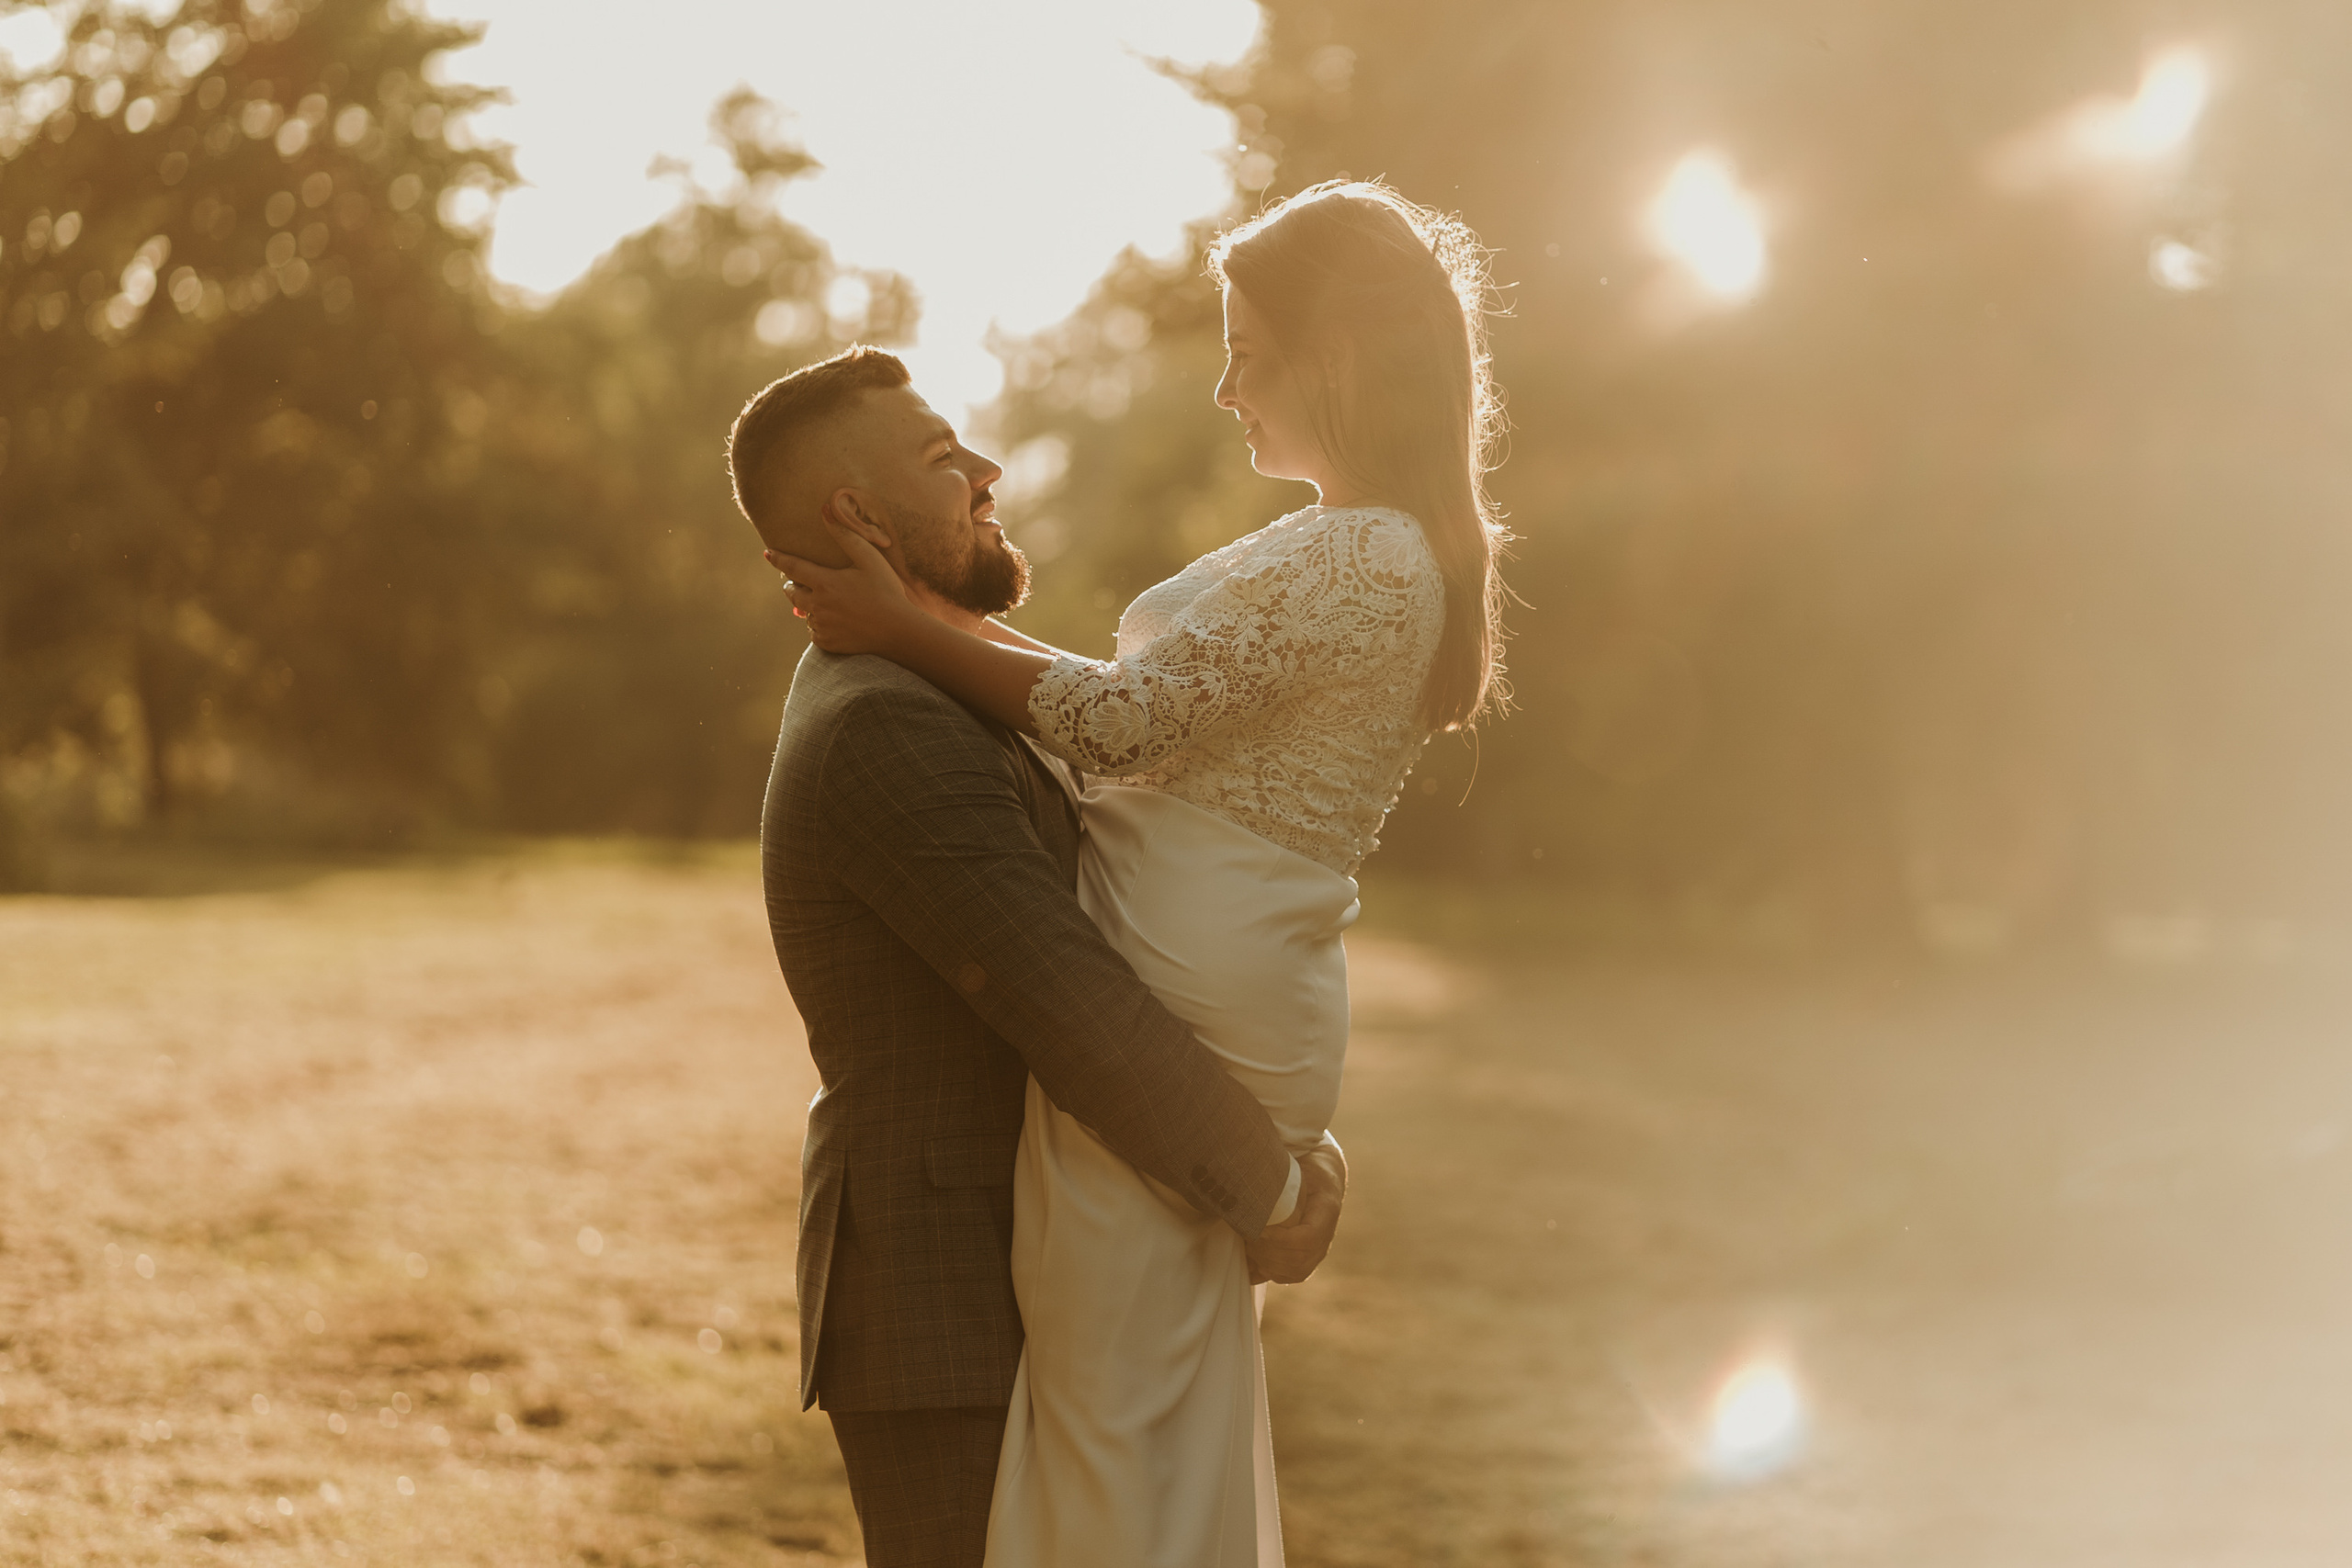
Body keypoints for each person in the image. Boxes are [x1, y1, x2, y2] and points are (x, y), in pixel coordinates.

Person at [771, 180, 1508, 1566]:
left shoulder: (1368, 551)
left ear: (1335, 354)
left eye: (1246, 348)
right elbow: (1123, 712)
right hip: (1211, 965)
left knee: (1123, 1435)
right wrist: (917, 615)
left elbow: (1117, 724)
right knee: (1134, 1426)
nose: (1226, 386)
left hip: (1213, 960)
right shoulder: (1359, 537)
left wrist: (908, 615)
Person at [730, 345, 1350, 1568]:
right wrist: (1267, 1191)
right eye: (941, 458)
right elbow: (1073, 1006)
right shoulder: (881, 726)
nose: (986, 471)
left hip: (1030, 1274)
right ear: (855, 513)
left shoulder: (926, 683)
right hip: (945, 1305)